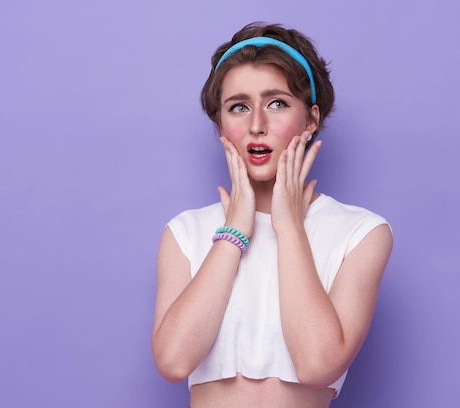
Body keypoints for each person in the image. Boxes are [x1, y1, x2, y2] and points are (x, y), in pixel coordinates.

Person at [152, 22, 393, 408]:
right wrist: (233, 231)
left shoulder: (360, 233)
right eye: (239, 107)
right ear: (221, 125)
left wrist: (289, 227)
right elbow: (173, 362)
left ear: (311, 119)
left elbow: (318, 366)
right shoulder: (186, 232)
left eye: (277, 102)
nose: (257, 126)